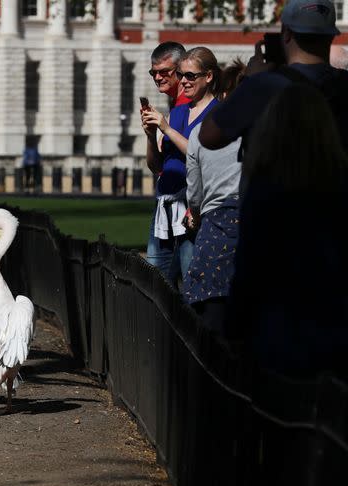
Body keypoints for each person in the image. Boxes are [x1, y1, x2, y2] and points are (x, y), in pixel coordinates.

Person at [226, 83, 348, 377]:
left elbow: (250, 264)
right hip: (335, 322)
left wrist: (234, 327)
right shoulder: (339, 186)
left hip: (279, 326)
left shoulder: (266, 191)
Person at [199, 0, 348, 155]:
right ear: (331, 36)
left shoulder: (265, 85)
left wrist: (248, 80)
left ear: (286, 34)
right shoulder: (344, 84)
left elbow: (208, 136)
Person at [141, 47, 220, 284]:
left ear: (208, 76)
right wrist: (150, 135)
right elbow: (157, 166)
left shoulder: (216, 113)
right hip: (164, 203)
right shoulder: (177, 112)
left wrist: (166, 129)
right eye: (182, 75)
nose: (183, 81)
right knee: (154, 283)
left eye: (189, 76)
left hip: (191, 208)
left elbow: (202, 156)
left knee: (190, 279)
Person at [182, 60, 245, 334]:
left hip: (216, 223)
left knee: (209, 307)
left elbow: (194, 192)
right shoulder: (267, 127)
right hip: (255, 221)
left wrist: (194, 214)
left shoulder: (200, 133)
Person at [149, 42, 192, 107]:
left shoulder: (191, 103)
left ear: (180, 69)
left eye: (163, 71)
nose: (157, 78)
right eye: (153, 72)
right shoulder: (176, 101)